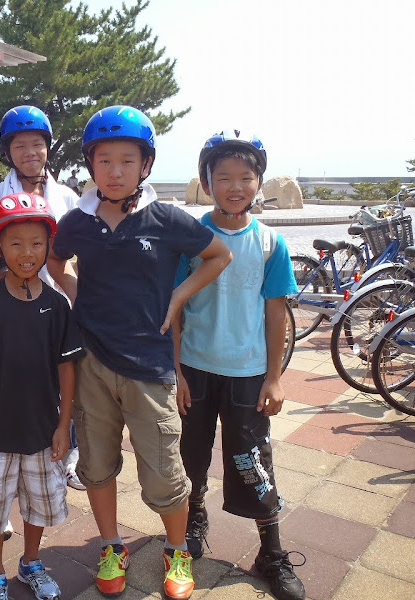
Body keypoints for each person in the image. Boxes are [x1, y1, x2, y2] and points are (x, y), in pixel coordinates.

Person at [47, 106, 232, 600]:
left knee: (164, 472)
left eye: (127, 160)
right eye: (104, 160)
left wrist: (178, 296)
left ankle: (177, 550)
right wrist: (75, 290)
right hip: (91, 363)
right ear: (90, 164)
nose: (115, 171)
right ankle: (112, 547)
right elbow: (55, 259)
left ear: (145, 165)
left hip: (151, 365)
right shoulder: (77, 221)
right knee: (97, 465)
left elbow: (218, 255)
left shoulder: (165, 217)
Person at [172, 131, 304, 600]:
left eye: (245, 177)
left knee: (253, 460)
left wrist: (274, 377)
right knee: (191, 454)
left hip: (248, 373)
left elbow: (275, 312)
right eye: (223, 176)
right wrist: (177, 372)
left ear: (258, 183)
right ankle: (194, 517)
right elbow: (175, 310)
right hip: (195, 368)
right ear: (206, 181)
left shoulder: (270, 242)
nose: (234, 186)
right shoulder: (190, 239)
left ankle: (271, 550)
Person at [0, 193, 85, 600]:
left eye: (36, 243)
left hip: (44, 430)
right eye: (15, 243)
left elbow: (67, 368)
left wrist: (64, 426)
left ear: (49, 246)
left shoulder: (57, 305)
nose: (26, 253)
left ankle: (31, 562)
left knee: (39, 504)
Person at [0, 105, 85, 491]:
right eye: (19, 145)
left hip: (55, 305)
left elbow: (73, 258)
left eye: (36, 144)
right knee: (4, 380)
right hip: (7, 308)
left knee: (63, 378)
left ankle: (68, 453)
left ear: (48, 147)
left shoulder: (67, 197)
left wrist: (78, 300)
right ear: (8, 151)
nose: (29, 152)